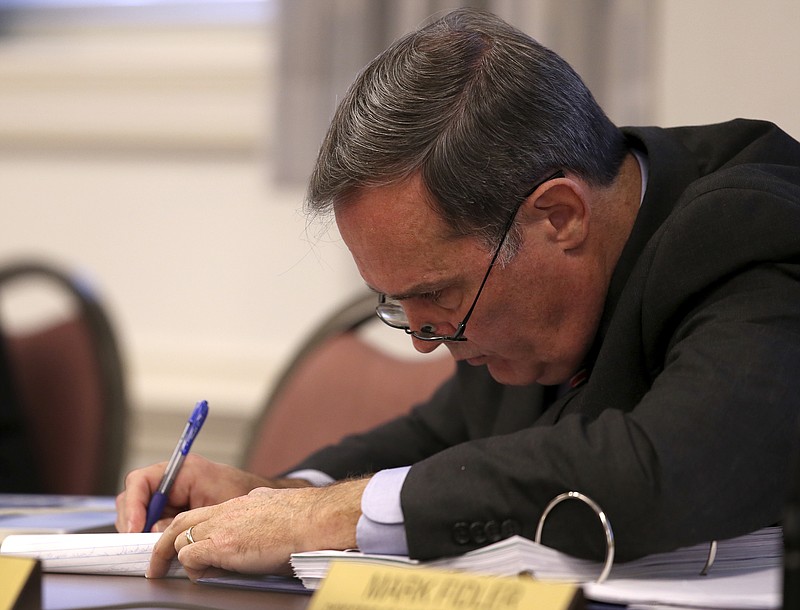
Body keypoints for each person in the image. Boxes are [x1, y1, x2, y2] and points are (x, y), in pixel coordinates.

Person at [117, 8, 800, 580]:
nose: (421, 339)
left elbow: (663, 468)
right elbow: (440, 439)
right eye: (395, 305)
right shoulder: (519, 315)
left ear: (558, 215)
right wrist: (281, 495)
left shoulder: (753, 230)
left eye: (437, 296)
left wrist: (335, 516)